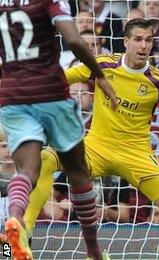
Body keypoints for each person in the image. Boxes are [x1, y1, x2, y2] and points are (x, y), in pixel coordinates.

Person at [22, 19, 159, 260]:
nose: (144, 46)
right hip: (97, 148)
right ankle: (24, 233)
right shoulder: (102, 64)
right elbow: (64, 78)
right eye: (138, 39)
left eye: (148, 40)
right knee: (46, 157)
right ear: (126, 42)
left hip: (137, 155)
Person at [0, 0, 118, 259]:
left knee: (27, 172)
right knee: (78, 170)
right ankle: (94, 251)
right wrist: (99, 74)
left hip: (12, 93)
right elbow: (74, 40)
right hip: (51, 92)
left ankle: (14, 218)